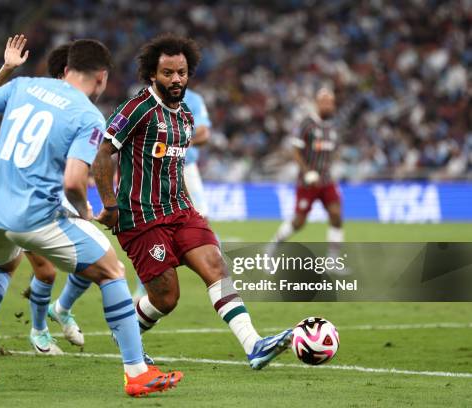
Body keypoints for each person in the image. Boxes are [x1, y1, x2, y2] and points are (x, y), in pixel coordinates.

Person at [0, 38, 182, 396]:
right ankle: (136, 372)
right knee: (111, 270)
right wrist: (83, 212)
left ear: (66, 70)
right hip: (34, 216)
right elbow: (72, 182)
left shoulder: (23, 85)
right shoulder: (87, 115)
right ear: (101, 78)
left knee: (1, 267)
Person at [92, 34, 292, 370]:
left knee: (216, 265)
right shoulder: (136, 109)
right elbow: (102, 155)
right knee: (166, 298)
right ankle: (128, 331)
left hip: (180, 211)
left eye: (181, 72)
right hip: (141, 218)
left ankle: (254, 344)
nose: (176, 79)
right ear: (153, 75)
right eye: (168, 73)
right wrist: (110, 206)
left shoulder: (185, 116)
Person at [0, 35, 86, 351]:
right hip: (21, 197)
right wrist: (6, 69)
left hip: (51, 195)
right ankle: (40, 330)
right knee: (45, 269)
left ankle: (61, 310)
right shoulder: (33, 94)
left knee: (93, 258)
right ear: (65, 74)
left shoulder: (77, 107)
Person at [131, 87, 212, 301]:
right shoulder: (145, 102)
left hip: (186, 166)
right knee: (157, 226)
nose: (176, 78)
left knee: (201, 221)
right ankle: (145, 286)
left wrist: (180, 143)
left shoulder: (194, 99)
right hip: (158, 169)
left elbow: (204, 133)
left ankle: (214, 275)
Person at [269, 88, 344, 260]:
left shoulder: (334, 127)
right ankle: (273, 245)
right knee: (299, 222)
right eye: (324, 102)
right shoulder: (307, 124)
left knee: (336, 215)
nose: (328, 106)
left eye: (330, 103)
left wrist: (333, 166)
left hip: (326, 181)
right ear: (317, 104)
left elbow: (334, 150)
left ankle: (333, 260)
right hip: (307, 182)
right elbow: (296, 150)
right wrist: (307, 172)